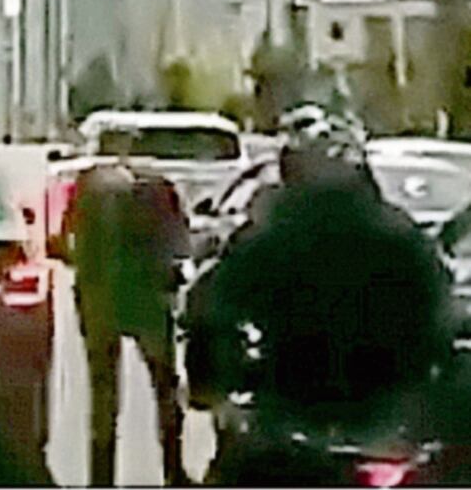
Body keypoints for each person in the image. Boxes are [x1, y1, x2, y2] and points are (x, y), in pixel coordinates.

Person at [183, 115, 456, 485]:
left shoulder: (271, 234)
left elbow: (210, 304)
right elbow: (443, 314)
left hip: (302, 412)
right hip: (376, 415)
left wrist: (210, 380)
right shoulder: (400, 234)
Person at [71, 164, 191, 486]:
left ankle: (101, 476)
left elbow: (73, 244)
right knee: (164, 385)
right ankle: (173, 468)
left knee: (103, 393)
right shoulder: (160, 190)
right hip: (147, 300)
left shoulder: (90, 189)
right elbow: (178, 248)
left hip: (99, 299)